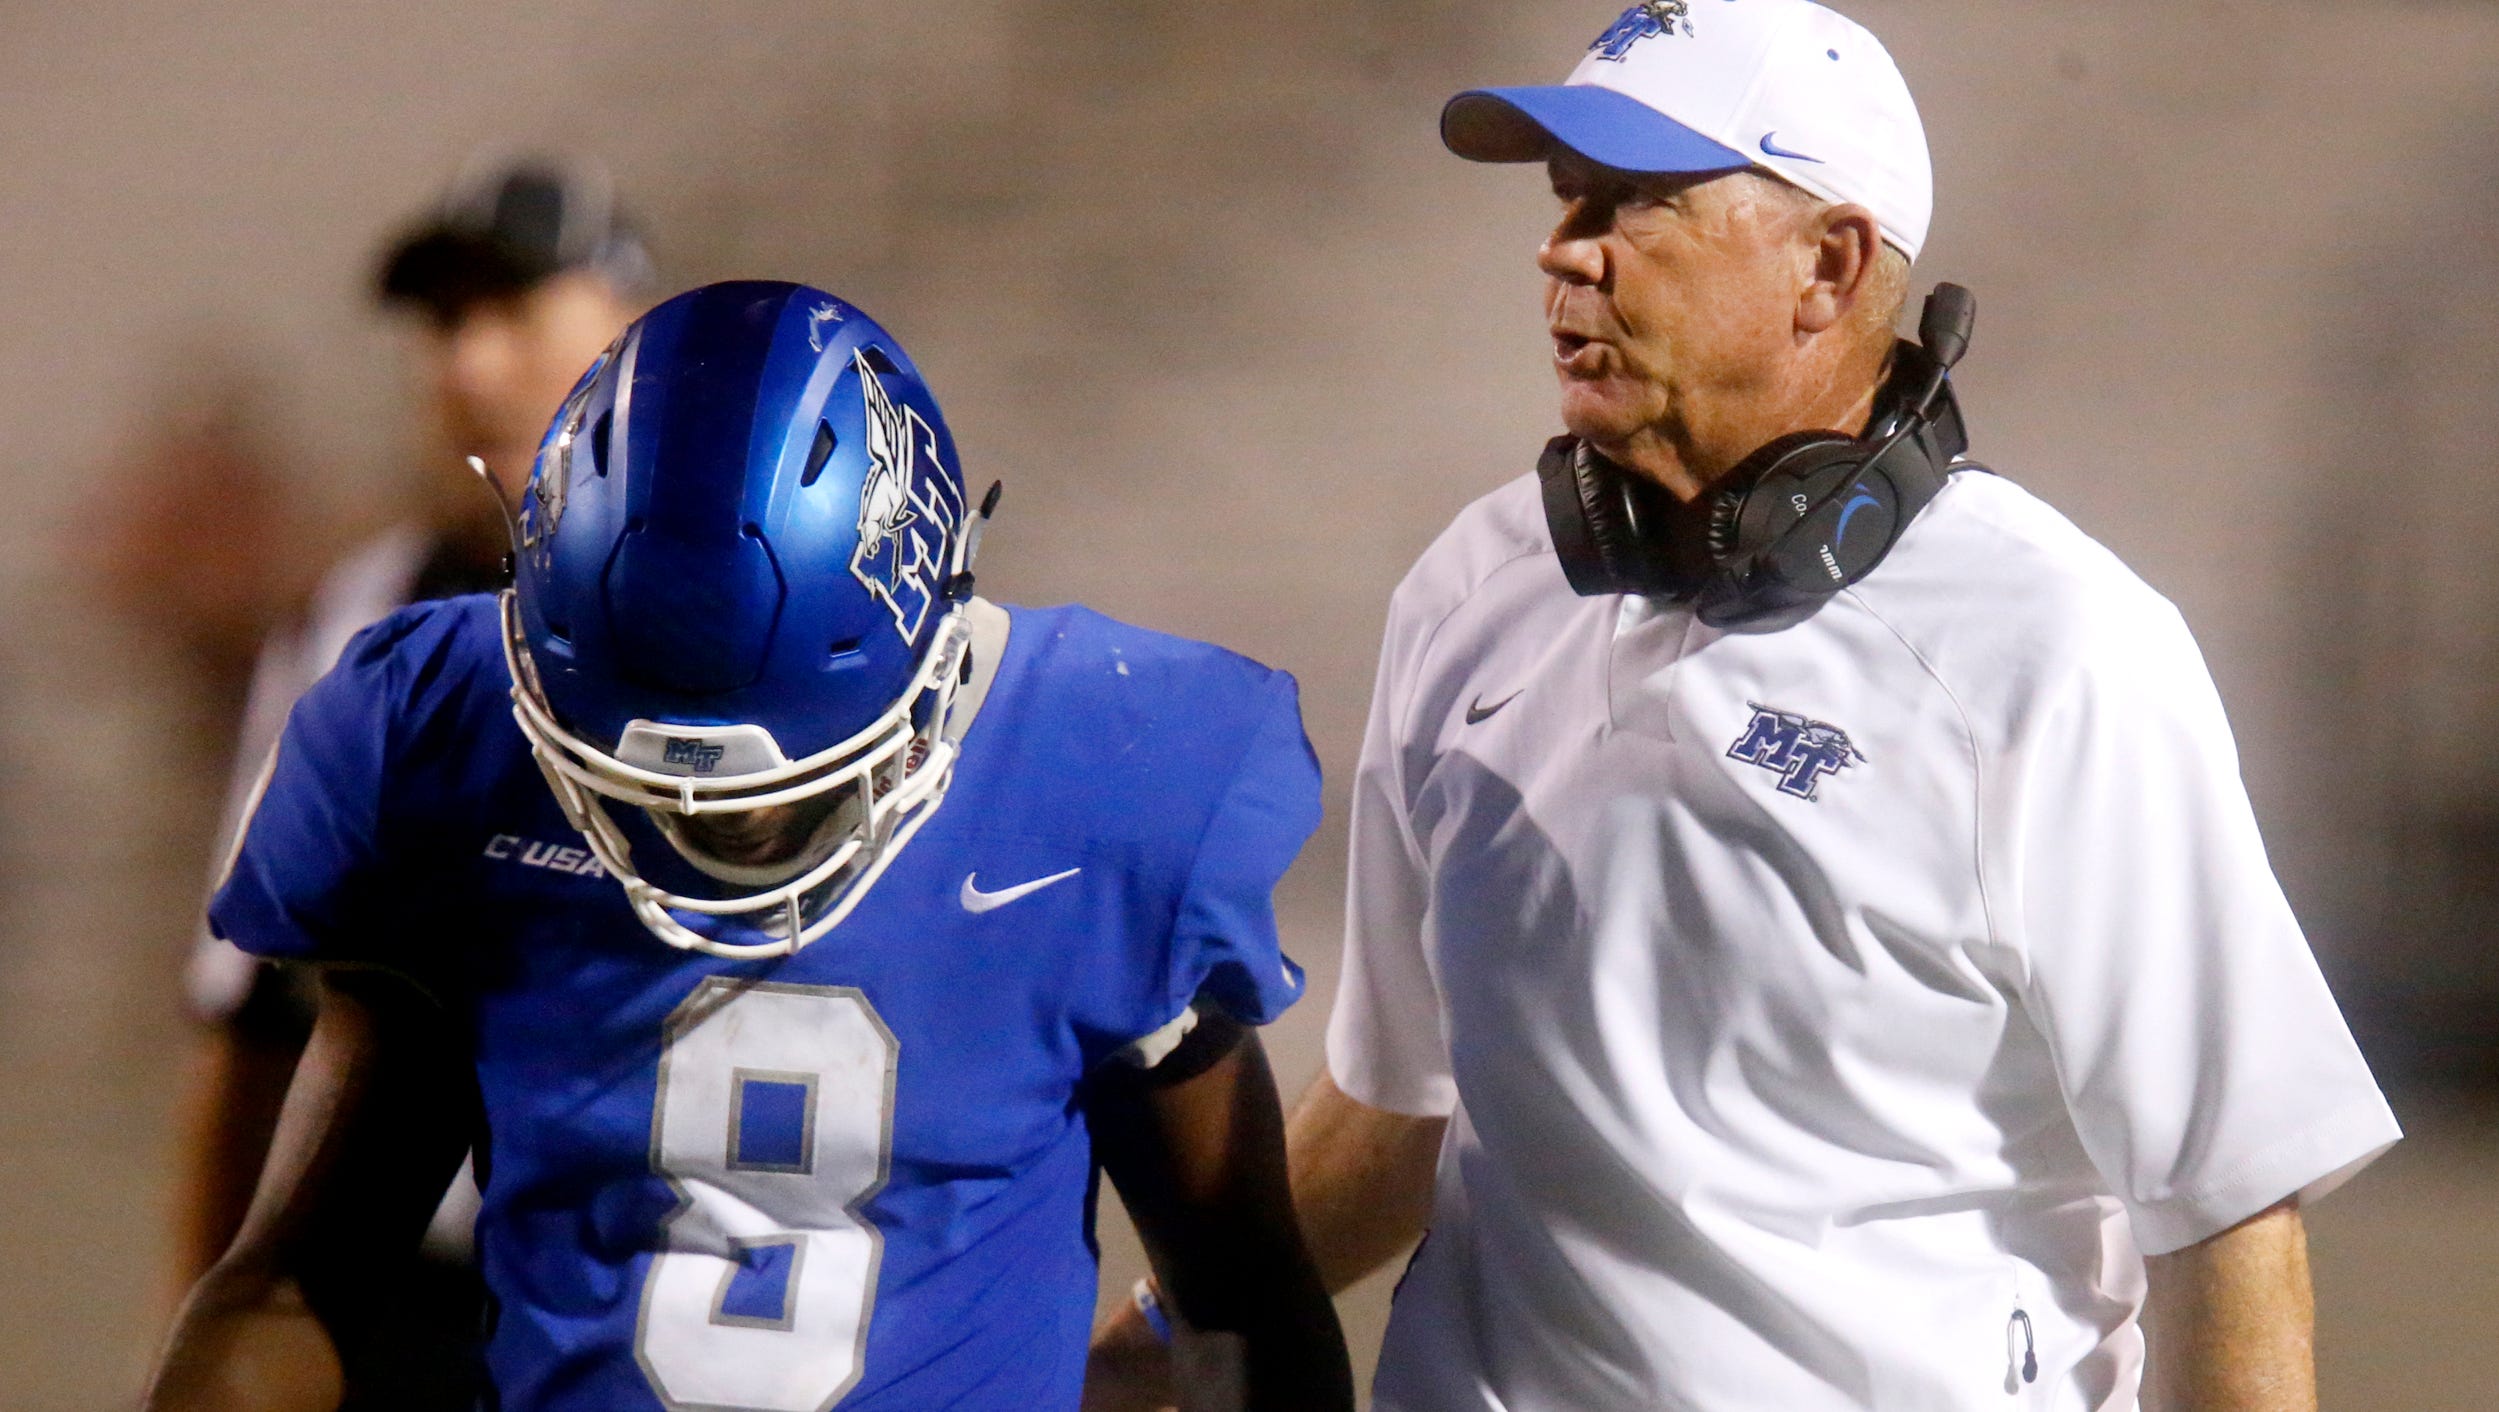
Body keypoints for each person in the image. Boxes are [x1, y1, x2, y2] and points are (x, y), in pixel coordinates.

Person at [1093, 3, 2400, 1408]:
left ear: (1826, 265)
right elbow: (1396, 1107)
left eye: (1635, 202)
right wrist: (1141, 1351)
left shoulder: (2056, 651)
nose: (1563, 250)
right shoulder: (1470, 589)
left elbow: (2226, 1219)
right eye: (1564, 200)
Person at [146, 280, 1353, 1412]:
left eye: (778, 798)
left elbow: (1239, 1293)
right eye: (634, 789)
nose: (694, 827)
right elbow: (299, 1277)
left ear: (928, 648)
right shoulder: (441, 743)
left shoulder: (1101, 781)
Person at [169, 155, 651, 1408]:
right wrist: (199, 1321)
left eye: (515, 309)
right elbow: (252, 1009)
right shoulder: (361, 622)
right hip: (424, 1305)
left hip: (698, 1280)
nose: (470, 364)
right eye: (444, 323)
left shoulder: (772, 614)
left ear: (632, 323)